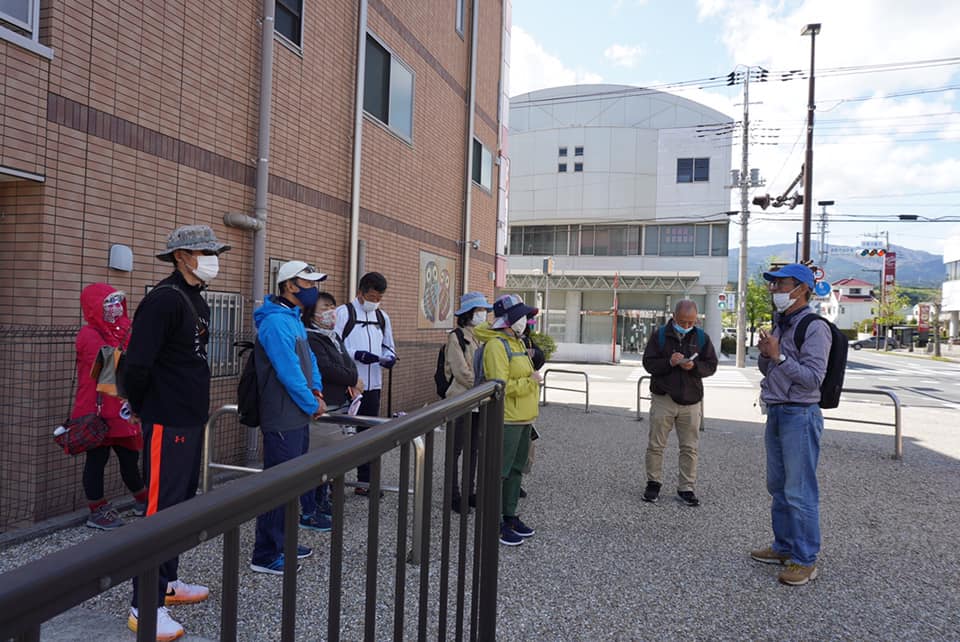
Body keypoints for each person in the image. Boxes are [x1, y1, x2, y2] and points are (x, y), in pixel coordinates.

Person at [123, 224, 230, 640]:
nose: (212, 259)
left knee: (179, 505)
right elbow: (137, 364)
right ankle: (144, 606)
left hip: (188, 418)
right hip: (166, 419)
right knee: (160, 510)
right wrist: (143, 407)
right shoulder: (164, 300)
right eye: (205, 252)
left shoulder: (194, 299)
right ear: (182, 256)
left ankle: (166, 583)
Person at [751, 263, 831, 587]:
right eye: (774, 285)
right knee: (778, 486)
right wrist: (766, 354)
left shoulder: (815, 327)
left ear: (801, 289)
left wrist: (779, 357)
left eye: (781, 284)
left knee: (799, 491)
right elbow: (771, 370)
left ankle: (805, 560)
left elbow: (813, 379)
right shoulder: (782, 323)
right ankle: (783, 546)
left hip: (800, 414)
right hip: (777, 411)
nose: (775, 290)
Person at [250, 260, 328, 575]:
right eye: (307, 283)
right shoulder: (275, 322)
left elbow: (310, 361)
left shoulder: (292, 319)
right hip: (282, 414)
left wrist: (317, 392)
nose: (313, 289)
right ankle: (265, 554)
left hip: (296, 413)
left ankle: (282, 542)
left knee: (291, 483)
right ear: (289, 285)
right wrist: (312, 402)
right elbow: (288, 370)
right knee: (278, 485)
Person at [72, 283, 147, 530]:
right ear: (95, 307)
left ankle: (142, 499)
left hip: (122, 408)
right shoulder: (89, 334)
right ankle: (97, 509)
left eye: (117, 302)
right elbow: (105, 370)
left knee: (129, 457)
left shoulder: (125, 329)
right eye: (108, 303)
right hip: (98, 409)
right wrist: (137, 359)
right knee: (97, 460)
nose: (115, 307)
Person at [475, 294, 540, 546]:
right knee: (499, 472)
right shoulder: (496, 346)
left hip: (523, 418)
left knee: (515, 470)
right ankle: (495, 522)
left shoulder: (516, 341)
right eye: (520, 316)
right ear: (508, 319)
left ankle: (510, 516)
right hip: (507, 419)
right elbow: (499, 386)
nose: (525, 320)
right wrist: (530, 382)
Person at [640, 300, 718, 507]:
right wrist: (669, 362)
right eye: (683, 321)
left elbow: (711, 365)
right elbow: (648, 363)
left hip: (691, 400)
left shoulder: (701, 337)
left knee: (690, 447)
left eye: (691, 322)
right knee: (656, 444)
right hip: (663, 397)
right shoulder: (659, 335)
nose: (687, 325)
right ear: (674, 317)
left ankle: (686, 488)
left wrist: (694, 366)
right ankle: (653, 483)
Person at [335, 271, 397, 496]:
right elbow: (334, 345)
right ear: (360, 293)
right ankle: (333, 482)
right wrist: (356, 354)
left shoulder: (382, 317)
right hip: (349, 385)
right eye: (371, 297)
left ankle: (366, 482)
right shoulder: (343, 313)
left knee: (370, 434)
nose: (375, 301)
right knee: (341, 434)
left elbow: (388, 345)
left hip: (374, 385)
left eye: (379, 298)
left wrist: (388, 358)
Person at [304, 291, 363, 520]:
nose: (330, 311)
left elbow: (347, 363)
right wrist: (353, 378)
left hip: (339, 404)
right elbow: (326, 368)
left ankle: (323, 499)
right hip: (323, 405)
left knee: (330, 459)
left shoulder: (333, 336)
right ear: (312, 312)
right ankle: (311, 508)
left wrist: (352, 376)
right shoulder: (310, 337)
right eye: (325, 307)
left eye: (332, 306)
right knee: (317, 459)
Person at [443, 291, 493, 513]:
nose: (483, 314)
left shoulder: (483, 336)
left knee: (473, 449)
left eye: (484, 310)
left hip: (478, 400)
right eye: (479, 310)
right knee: (455, 450)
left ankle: (469, 491)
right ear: (469, 313)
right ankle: (453, 495)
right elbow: (461, 371)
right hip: (461, 399)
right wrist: (482, 385)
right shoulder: (456, 337)